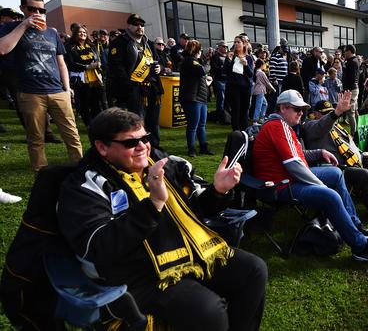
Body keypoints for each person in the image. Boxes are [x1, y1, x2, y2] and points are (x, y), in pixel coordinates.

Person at [57, 108, 267, 330]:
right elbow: (98, 247)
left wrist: (217, 191)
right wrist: (153, 205)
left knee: (253, 270)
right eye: (131, 143)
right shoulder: (85, 186)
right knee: (207, 310)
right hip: (135, 273)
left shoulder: (162, 163)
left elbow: (195, 211)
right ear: (102, 147)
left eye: (145, 138)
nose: (142, 147)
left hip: (186, 253)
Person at [252, 90, 368, 265]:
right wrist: (319, 185)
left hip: (289, 177)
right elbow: (294, 165)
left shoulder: (282, 126)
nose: (301, 113)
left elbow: (298, 154)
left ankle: (353, 223)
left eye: (303, 110)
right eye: (297, 109)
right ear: (282, 108)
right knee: (330, 195)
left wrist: (320, 152)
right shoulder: (277, 126)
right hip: (282, 186)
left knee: (335, 173)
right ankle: (361, 248)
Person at [0, 0, 83, 172]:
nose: (37, 13)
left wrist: (67, 88)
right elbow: (3, 49)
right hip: (30, 92)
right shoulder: (10, 27)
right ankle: (41, 175)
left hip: (57, 91)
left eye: (41, 9)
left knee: (72, 135)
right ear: (23, 8)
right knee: (36, 139)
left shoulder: (52, 32)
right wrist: (23, 25)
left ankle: (81, 172)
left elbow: (61, 62)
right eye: (32, 9)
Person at [108, 14, 162, 117]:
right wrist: (129, 85)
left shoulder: (149, 44)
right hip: (133, 89)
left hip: (152, 88)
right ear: (128, 26)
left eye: (142, 25)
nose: (140, 27)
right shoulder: (119, 42)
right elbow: (116, 67)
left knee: (154, 124)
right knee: (138, 124)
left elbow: (159, 61)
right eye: (136, 24)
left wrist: (160, 68)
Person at [180, 40, 214, 157]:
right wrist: (208, 62)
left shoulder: (194, 62)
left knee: (201, 125)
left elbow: (199, 75)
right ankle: (192, 149)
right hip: (192, 98)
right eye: (199, 50)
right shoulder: (190, 61)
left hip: (199, 97)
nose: (201, 52)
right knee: (193, 125)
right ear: (196, 51)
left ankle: (203, 147)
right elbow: (202, 70)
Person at [66, 24, 104, 126]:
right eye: (80, 32)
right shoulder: (70, 46)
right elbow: (70, 63)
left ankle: (98, 124)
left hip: (95, 78)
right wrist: (86, 67)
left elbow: (97, 58)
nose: (82, 34)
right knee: (85, 104)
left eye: (84, 32)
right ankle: (89, 124)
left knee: (96, 103)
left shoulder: (91, 46)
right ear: (75, 34)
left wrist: (98, 64)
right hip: (81, 80)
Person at [224, 35, 254, 131]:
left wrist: (245, 65)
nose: (236, 44)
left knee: (244, 111)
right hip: (234, 87)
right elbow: (225, 71)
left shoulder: (249, 58)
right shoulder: (231, 56)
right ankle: (236, 132)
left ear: (244, 44)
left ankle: (244, 132)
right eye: (235, 42)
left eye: (238, 42)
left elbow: (250, 74)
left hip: (245, 88)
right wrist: (228, 60)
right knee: (236, 110)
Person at [341, 44, 360, 134]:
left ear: (349, 51)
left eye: (345, 51)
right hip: (353, 88)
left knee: (350, 112)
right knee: (354, 110)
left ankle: (354, 133)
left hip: (351, 89)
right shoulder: (352, 61)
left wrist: (347, 90)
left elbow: (351, 78)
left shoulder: (352, 62)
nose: (344, 53)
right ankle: (357, 130)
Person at [210, 40, 229, 123]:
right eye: (223, 46)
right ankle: (220, 117)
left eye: (226, 47)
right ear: (219, 47)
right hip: (219, 80)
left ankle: (226, 116)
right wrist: (223, 68)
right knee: (221, 99)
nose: (225, 48)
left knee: (227, 99)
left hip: (227, 80)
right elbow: (214, 68)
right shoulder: (215, 56)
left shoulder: (228, 57)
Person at [252, 58, 275, 124]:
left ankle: (261, 117)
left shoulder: (255, 71)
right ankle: (255, 120)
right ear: (261, 65)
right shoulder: (261, 73)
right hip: (260, 90)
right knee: (258, 106)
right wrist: (273, 89)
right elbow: (267, 82)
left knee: (265, 104)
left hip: (257, 90)